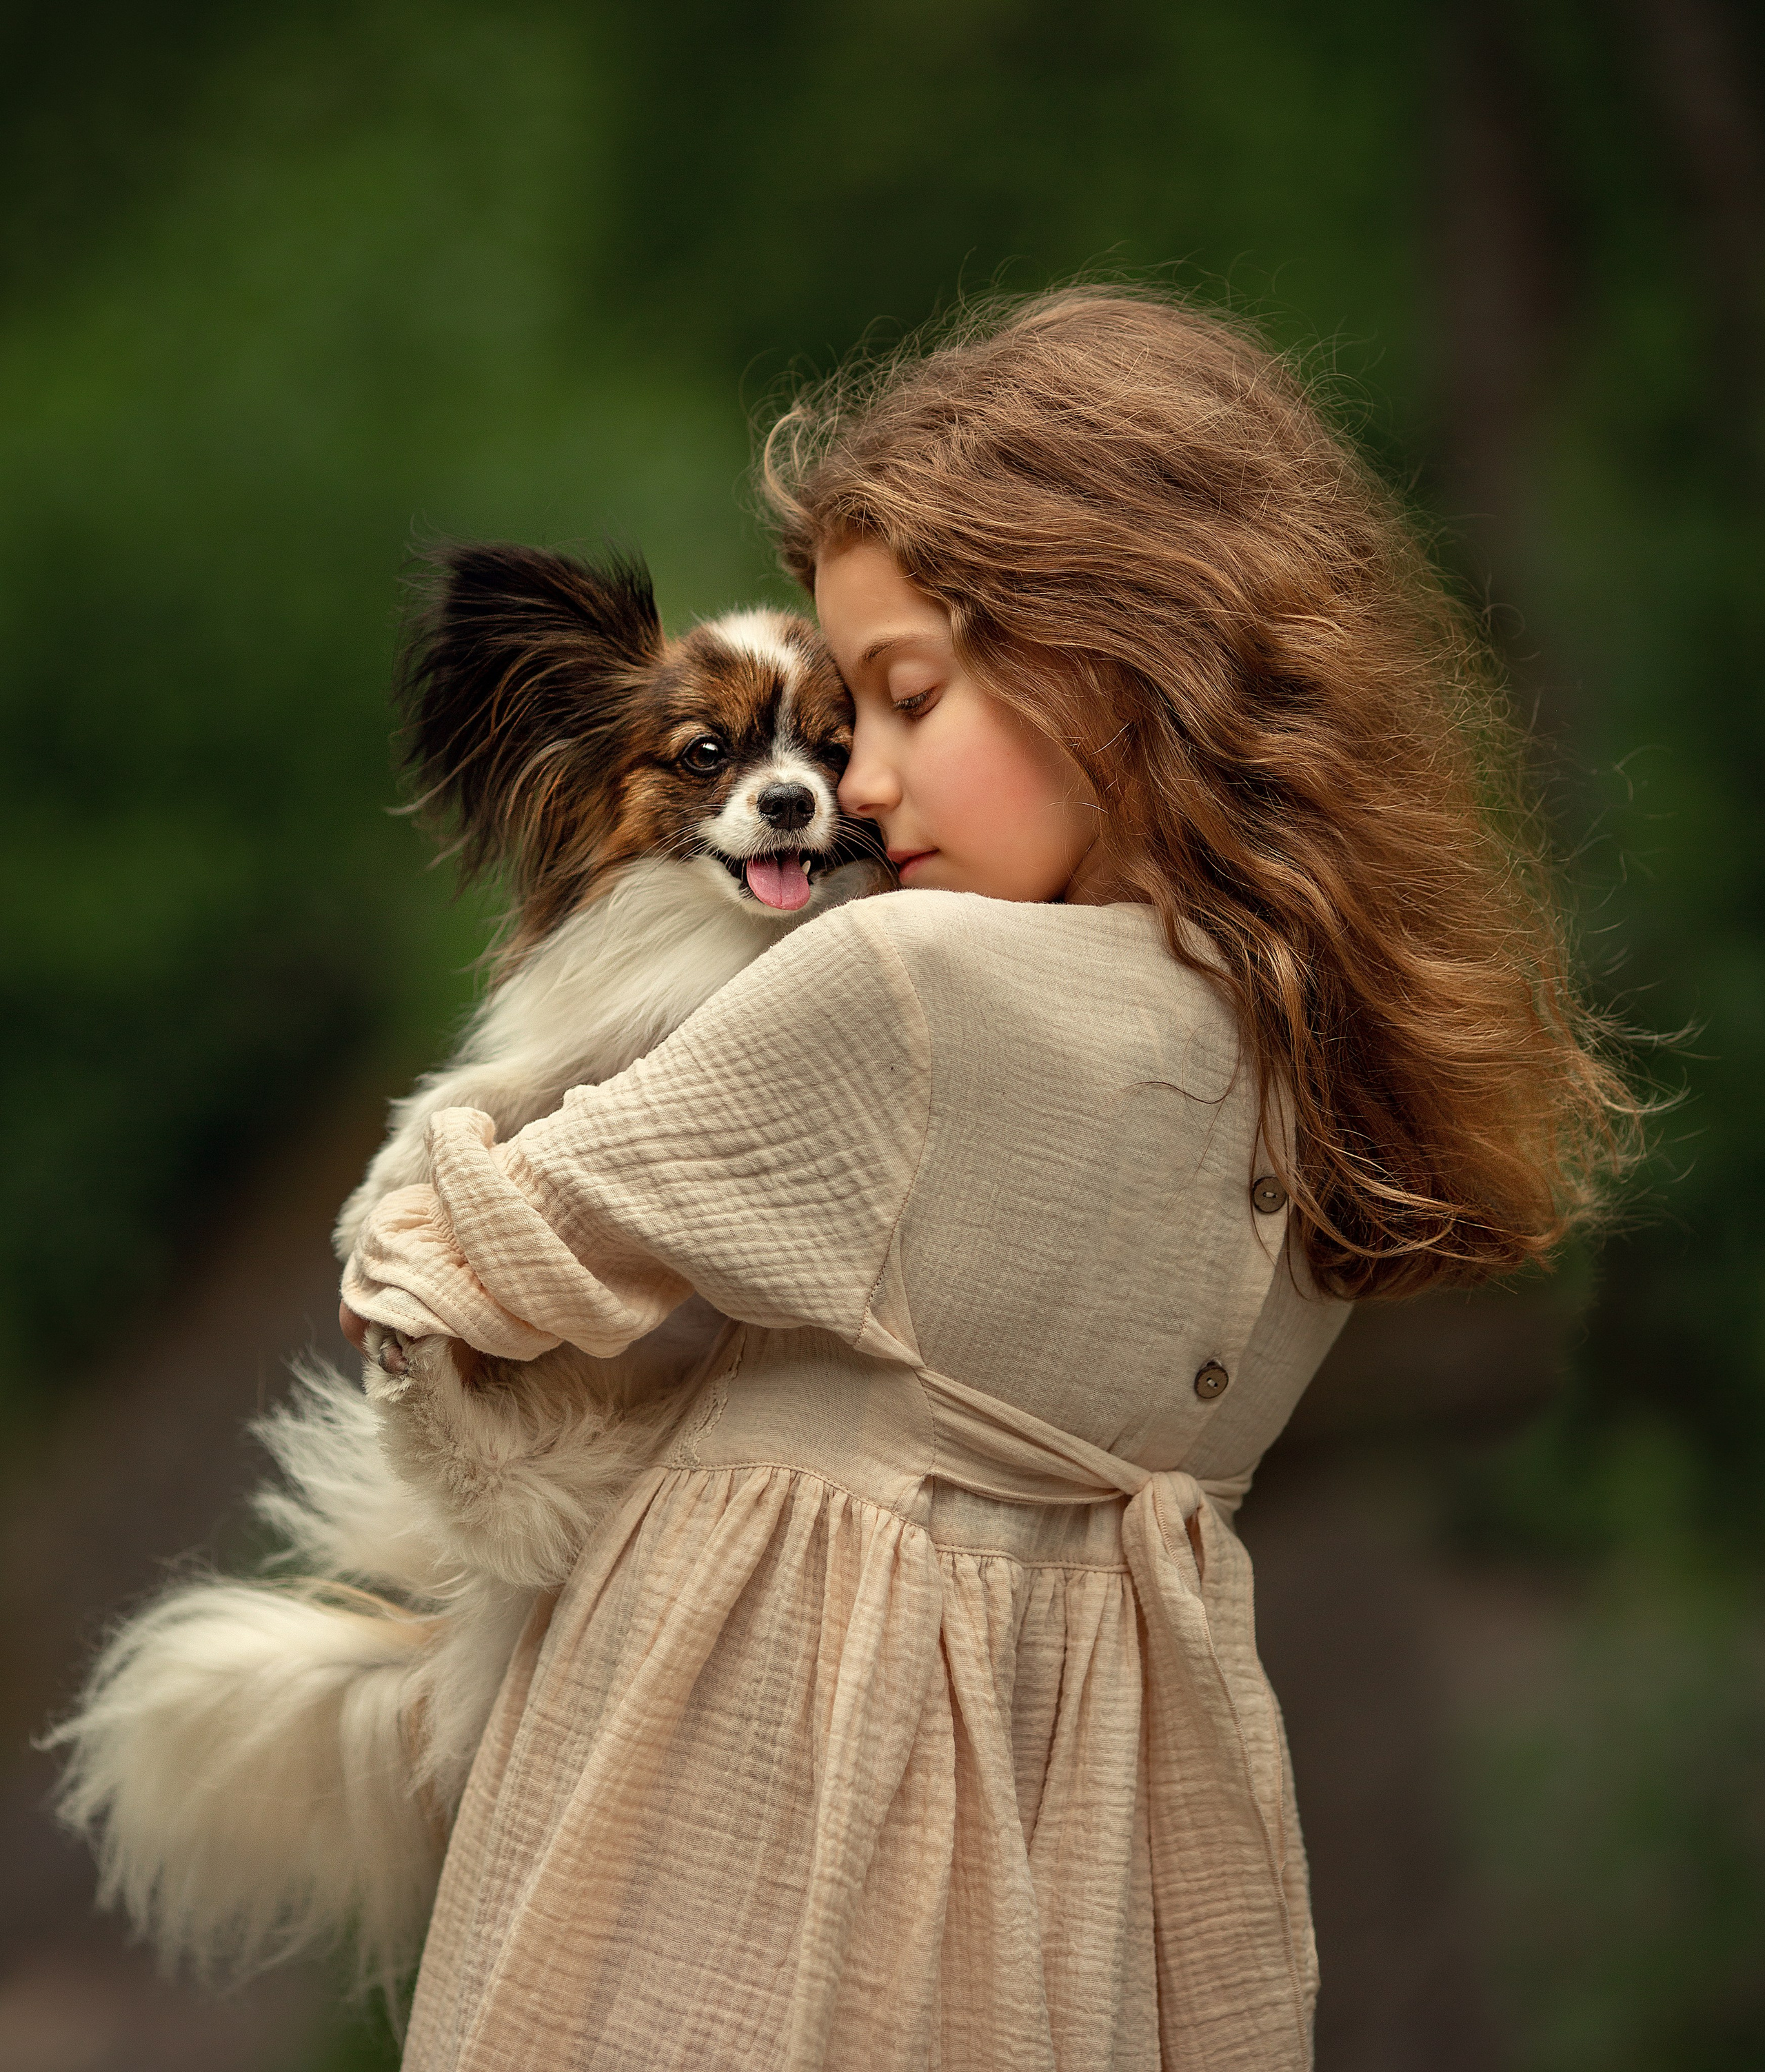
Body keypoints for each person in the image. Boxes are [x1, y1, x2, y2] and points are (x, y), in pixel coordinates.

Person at [339, 287, 1637, 2071]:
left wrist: (496, 1406)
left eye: (898, 698)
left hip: (735, 1776)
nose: (852, 783)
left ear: (1121, 658)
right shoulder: (1332, 1057)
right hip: (1105, 1820)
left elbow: (435, 1262)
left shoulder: (901, 984)